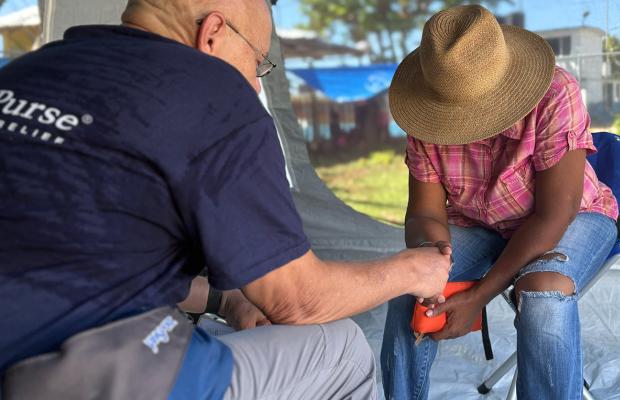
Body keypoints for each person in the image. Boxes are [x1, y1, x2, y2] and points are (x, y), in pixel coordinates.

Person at [0, 0, 451, 399]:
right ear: (212, 32)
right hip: (78, 377)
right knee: (342, 350)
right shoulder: (214, 96)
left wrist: (226, 302)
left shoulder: (28, 71)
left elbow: (95, 270)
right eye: (258, 62)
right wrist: (414, 270)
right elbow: (297, 300)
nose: (254, 86)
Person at [380, 5, 619, 400]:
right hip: (481, 224)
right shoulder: (425, 116)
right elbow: (424, 212)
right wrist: (431, 259)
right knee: (409, 285)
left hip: (574, 217)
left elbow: (554, 214)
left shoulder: (556, 94)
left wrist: (478, 297)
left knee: (543, 296)